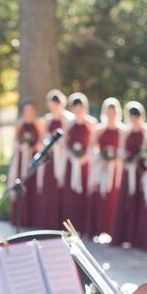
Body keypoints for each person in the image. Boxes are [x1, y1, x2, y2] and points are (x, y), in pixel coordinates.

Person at [111, 101, 147, 247]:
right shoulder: (125, 131)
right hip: (128, 171)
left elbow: (146, 150)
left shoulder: (146, 131)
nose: (134, 118)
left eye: (137, 115)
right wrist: (126, 160)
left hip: (140, 171)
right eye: (132, 115)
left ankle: (135, 238)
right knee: (124, 200)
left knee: (138, 201)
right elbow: (120, 151)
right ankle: (121, 235)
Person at [32, 89, 73, 229]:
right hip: (50, 159)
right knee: (49, 189)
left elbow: (69, 140)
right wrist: (46, 146)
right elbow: (42, 139)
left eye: (57, 103)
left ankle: (61, 222)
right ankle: (47, 220)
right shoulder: (47, 120)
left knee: (61, 188)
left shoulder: (68, 119)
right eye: (52, 103)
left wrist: (60, 147)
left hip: (62, 159)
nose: (54, 106)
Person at [87, 97, 124, 237]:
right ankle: (96, 228)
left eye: (113, 112)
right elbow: (91, 149)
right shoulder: (99, 129)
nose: (111, 115)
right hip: (101, 167)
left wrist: (115, 157)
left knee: (113, 198)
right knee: (99, 198)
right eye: (109, 112)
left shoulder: (122, 131)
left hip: (116, 169)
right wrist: (101, 156)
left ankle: (112, 230)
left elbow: (123, 150)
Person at [60, 93, 96, 235]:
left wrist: (85, 157)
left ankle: (85, 226)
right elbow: (64, 143)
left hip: (85, 164)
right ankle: (70, 226)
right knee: (71, 196)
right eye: (75, 108)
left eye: (80, 108)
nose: (78, 111)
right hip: (71, 164)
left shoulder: (91, 123)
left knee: (84, 195)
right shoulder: (68, 123)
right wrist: (72, 156)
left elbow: (93, 144)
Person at [7, 98, 44, 228]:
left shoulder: (39, 124)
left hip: (33, 160)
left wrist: (34, 148)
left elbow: (41, 141)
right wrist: (21, 146)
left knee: (32, 186)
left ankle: (33, 217)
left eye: (31, 110)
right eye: (26, 110)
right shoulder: (20, 124)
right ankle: (20, 218)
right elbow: (15, 141)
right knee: (21, 184)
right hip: (22, 159)